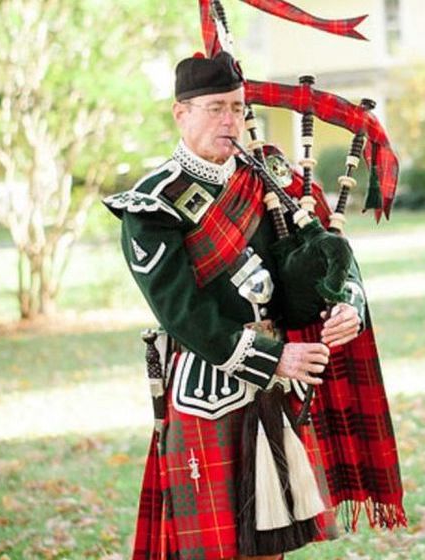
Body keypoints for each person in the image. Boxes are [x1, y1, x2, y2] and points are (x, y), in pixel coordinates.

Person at [104, 52, 367, 560]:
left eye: (237, 107)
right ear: (182, 114)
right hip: (209, 389)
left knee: (271, 546)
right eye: (215, 108)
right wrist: (275, 358)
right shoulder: (153, 203)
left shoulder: (266, 174)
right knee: (216, 550)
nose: (230, 120)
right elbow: (181, 313)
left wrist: (348, 300)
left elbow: (325, 248)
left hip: (274, 389)